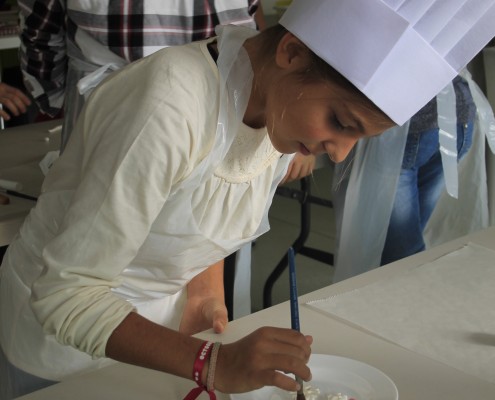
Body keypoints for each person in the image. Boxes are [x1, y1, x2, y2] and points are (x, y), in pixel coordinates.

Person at [1, 0, 494, 399]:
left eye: (359, 139)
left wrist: (203, 293)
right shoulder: (168, 103)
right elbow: (67, 294)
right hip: (62, 345)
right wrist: (211, 362)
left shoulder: (275, 105)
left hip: (161, 335)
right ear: (292, 54)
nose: (340, 156)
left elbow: (194, 202)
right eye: (341, 124)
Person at [18, 0, 264, 151]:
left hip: (106, 116)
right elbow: (255, 34)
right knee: (212, 225)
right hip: (215, 122)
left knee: (102, 222)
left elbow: (39, 38)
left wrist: (57, 98)